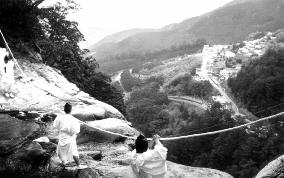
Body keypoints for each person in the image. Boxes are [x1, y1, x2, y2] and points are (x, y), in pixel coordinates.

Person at [53, 103, 87, 169]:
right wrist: (75, 135)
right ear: (71, 110)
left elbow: (55, 126)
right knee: (73, 151)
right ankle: (78, 165)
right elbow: (76, 130)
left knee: (61, 150)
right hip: (69, 136)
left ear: (64, 109)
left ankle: (63, 162)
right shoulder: (73, 119)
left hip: (62, 135)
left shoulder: (59, 117)